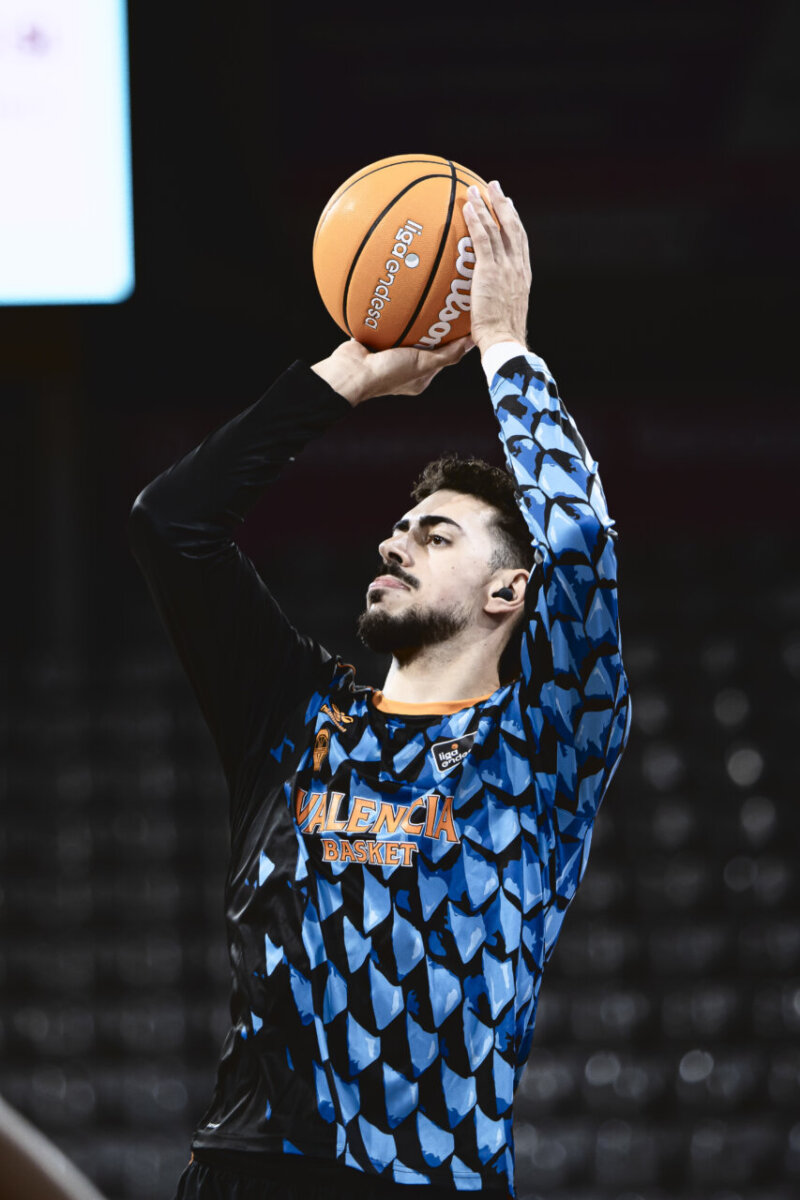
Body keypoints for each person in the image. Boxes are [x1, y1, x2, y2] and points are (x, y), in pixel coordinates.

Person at [128, 182, 631, 1200]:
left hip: (425, 1181)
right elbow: (171, 524)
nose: (395, 539)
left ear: (509, 591)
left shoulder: (540, 742)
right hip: (246, 1170)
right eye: (400, 528)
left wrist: (502, 347)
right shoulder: (292, 713)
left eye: (434, 534)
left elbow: (576, 540)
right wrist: (345, 375)